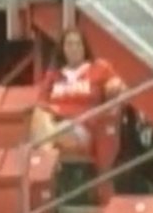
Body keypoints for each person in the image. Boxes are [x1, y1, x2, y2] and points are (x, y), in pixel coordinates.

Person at [30, 27, 125, 162]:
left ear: (84, 47)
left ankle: (46, 159)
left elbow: (118, 86)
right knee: (38, 113)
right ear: (63, 49)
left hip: (82, 127)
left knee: (52, 133)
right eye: (69, 44)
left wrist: (114, 86)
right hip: (54, 124)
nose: (74, 48)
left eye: (77, 44)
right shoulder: (54, 75)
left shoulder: (98, 69)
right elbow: (41, 102)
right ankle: (48, 154)